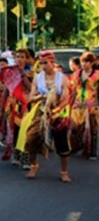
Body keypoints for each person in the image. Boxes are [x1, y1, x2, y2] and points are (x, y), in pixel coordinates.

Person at [17, 50, 72, 182]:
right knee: (31, 139)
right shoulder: (38, 77)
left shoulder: (62, 78)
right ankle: (33, 165)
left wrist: (56, 109)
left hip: (57, 113)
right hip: (41, 112)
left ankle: (64, 172)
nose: (43, 66)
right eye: (41, 63)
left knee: (62, 143)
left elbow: (66, 98)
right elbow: (31, 97)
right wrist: (41, 97)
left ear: (52, 63)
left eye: (45, 63)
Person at [0, 49, 32, 168]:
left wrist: (22, 74)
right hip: (12, 106)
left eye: (22, 57)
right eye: (17, 57)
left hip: (26, 106)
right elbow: (6, 91)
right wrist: (1, 108)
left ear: (27, 59)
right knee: (14, 132)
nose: (19, 59)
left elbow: (31, 88)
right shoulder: (10, 73)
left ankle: (26, 159)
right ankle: (16, 156)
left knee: (26, 133)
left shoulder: (32, 72)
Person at [70, 52, 99, 159]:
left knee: (93, 129)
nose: (84, 64)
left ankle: (93, 152)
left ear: (92, 63)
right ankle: (77, 146)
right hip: (77, 105)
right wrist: (71, 103)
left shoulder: (97, 75)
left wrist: (96, 103)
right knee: (74, 128)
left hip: (91, 105)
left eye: (87, 62)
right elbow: (73, 91)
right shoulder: (76, 74)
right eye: (83, 61)